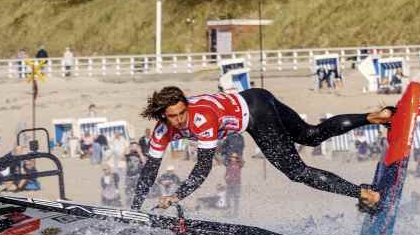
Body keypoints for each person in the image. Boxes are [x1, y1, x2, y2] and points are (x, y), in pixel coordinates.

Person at [130, 86, 391, 213]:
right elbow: (150, 169)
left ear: (186, 106)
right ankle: (377, 117)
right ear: (162, 116)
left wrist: (177, 195)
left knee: (297, 172)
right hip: (256, 95)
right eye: (173, 116)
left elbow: (203, 166)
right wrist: (134, 209)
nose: (179, 120)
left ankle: (366, 194)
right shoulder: (162, 132)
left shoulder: (201, 119)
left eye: (182, 113)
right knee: (310, 135)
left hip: (256, 113)